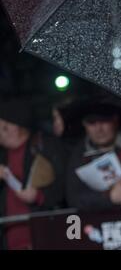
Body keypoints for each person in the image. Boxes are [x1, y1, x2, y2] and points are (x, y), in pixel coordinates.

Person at [0, 98, 65, 250]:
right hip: (9, 240)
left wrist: (39, 196)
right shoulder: (3, 155)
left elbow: (68, 185)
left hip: (44, 237)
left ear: (11, 127)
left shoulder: (47, 147)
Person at [65, 100, 121, 211]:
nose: (99, 129)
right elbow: (73, 198)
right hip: (104, 221)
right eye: (92, 123)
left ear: (115, 119)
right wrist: (110, 198)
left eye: (104, 121)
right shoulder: (78, 155)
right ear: (84, 124)